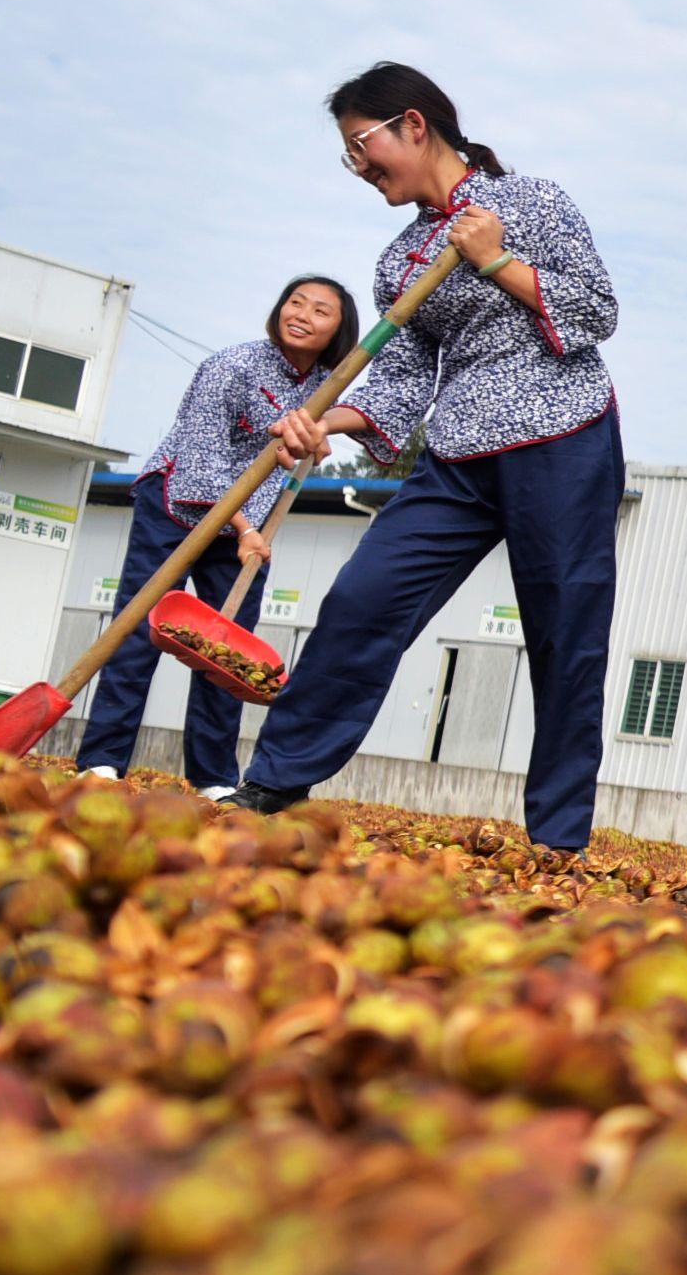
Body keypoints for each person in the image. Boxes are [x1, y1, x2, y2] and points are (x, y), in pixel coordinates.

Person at [220, 63, 625, 853]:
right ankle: (275, 778)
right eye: (349, 156)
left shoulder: (531, 202)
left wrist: (498, 260)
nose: (360, 167)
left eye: (361, 146)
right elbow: (404, 383)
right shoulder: (398, 262)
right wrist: (321, 419)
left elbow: (598, 307)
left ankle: (559, 836)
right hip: (459, 453)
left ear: (413, 124)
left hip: (564, 439)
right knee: (364, 599)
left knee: (566, 633)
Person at [79, 277, 356, 793]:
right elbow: (201, 461)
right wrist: (245, 529)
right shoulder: (231, 366)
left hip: (247, 525)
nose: (302, 314)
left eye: (320, 311)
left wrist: (314, 448)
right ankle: (102, 761)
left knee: (227, 653)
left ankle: (213, 777)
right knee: (139, 631)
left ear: (338, 332)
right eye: (295, 303)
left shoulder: (323, 391)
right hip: (177, 505)